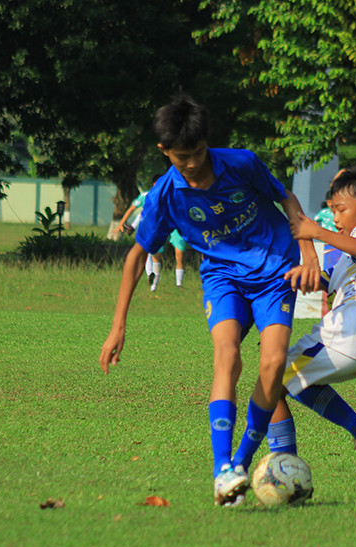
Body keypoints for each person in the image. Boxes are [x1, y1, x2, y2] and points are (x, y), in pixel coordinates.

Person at [98, 93, 320, 506]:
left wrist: (308, 253)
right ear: (165, 151)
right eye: (182, 156)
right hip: (222, 278)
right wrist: (118, 325)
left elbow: (286, 198)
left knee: (272, 365)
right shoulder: (165, 195)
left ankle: (239, 463)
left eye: (198, 152)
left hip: (274, 270)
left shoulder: (241, 163)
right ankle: (223, 471)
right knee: (228, 354)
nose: (193, 163)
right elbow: (136, 256)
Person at [230, 166, 356, 479]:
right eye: (332, 211)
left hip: (346, 338)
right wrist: (302, 276)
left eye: (341, 210)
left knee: (270, 384)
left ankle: (286, 470)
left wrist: (316, 232)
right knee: (292, 381)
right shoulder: (346, 255)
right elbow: (327, 278)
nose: (335, 218)